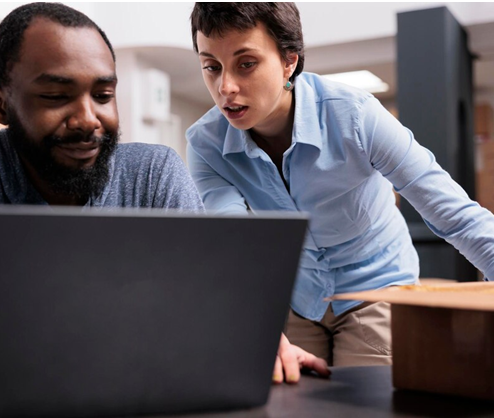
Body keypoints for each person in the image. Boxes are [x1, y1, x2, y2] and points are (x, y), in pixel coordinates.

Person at [0, 2, 329, 385]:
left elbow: (212, 312)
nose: (88, 118)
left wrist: (248, 336)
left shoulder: (153, 172)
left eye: (104, 94)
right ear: (1, 105)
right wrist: (2, 341)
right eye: (56, 96)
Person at [186, 2, 494, 382]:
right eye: (211, 67)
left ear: (288, 62)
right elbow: (233, 243)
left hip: (376, 289)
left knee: (370, 399)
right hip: (295, 299)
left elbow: (455, 215)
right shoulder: (206, 145)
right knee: (285, 400)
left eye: (245, 63)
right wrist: (253, 327)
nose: (225, 87)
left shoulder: (356, 116)